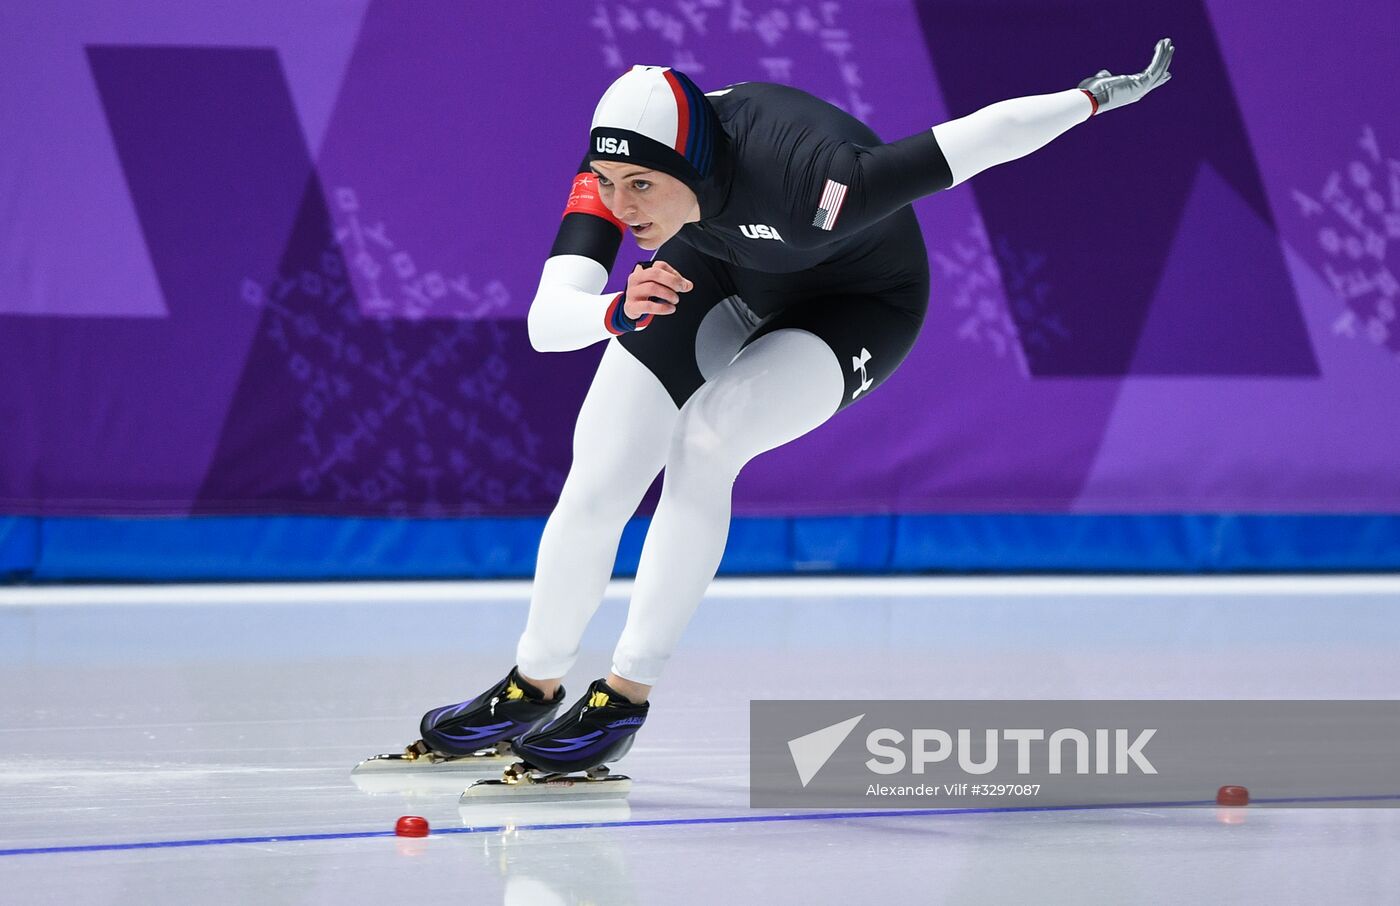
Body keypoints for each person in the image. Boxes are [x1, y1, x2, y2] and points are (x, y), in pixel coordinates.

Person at [419, 39, 1176, 785]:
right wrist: (616, 308)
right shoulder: (626, 168)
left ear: (686, 169)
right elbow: (548, 322)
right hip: (716, 265)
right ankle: (532, 683)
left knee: (704, 441)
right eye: (607, 182)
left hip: (855, 303)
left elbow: (978, 140)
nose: (619, 206)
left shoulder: (810, 176)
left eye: (640, 187)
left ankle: (623, 697)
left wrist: (1093, 97)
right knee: (602, 467)